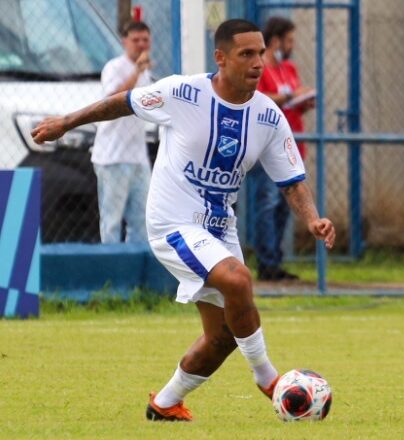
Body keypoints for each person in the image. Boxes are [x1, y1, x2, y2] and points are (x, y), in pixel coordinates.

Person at [31, 19, 335, 422]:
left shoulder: (268, 116)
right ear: (221, 58)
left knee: (223, 336)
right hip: (172, 222)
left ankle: (165, 403)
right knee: (239, 280)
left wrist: (313, 220)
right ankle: (268, 379)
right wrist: (64, 122)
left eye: (261, 52)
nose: (258, 62)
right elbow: (122, 101)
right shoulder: (183, 92)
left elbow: (291, 181)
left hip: (219, 228)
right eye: (246, 54)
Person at [252, 16, 315, 281]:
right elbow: (259, 98)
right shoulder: (260, 68)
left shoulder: (288, 68)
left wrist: (302, 100)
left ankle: (276, 261)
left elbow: (291, 98)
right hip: (268, 148)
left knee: (283, 208)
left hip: (293, 147)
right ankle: (266, 263)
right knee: (267, 203)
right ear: (275, 40)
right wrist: (288, 96)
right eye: (288, 40)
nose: (291, 45)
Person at [91, 20, 154, 243]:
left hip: (138, 156)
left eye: (145, 40)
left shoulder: (145, 73)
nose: (140, 45)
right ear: (124, 42)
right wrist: (136, 71)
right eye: (135, 40)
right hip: (113, 156)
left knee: (142, 220)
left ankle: (134, 274)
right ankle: (110, 272)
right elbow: (111, 99)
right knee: (112, 220)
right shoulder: (115, 67)